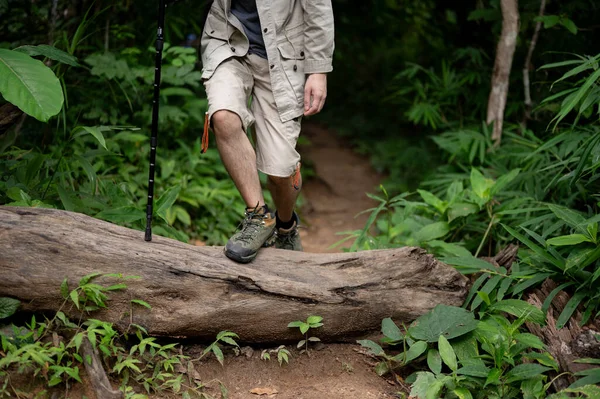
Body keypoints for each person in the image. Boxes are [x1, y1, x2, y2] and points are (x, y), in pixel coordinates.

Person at [200, 0, 334, 263]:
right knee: (223, 117)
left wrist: (318, 70)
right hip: (227, 41)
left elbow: (318, 7)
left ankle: (286, 226)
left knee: (280, 169)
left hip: (283, 57)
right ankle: (258, 216)